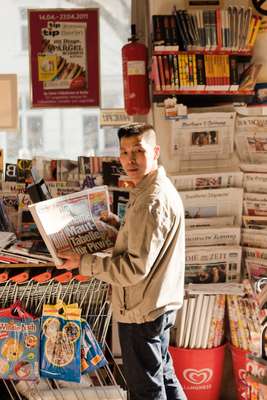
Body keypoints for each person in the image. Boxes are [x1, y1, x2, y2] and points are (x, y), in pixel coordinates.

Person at [57, 123, 187, 400]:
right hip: (157, 302)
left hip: (141, 309)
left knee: (146, 390)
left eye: (138, 151)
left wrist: (83, 262)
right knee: (163, 376)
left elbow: (133, 269)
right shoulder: (153, 189)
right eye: (124, 151)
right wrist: (118, 227)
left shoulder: (150, 201)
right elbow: (145, 245)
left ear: (155, 152)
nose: (130, 159)